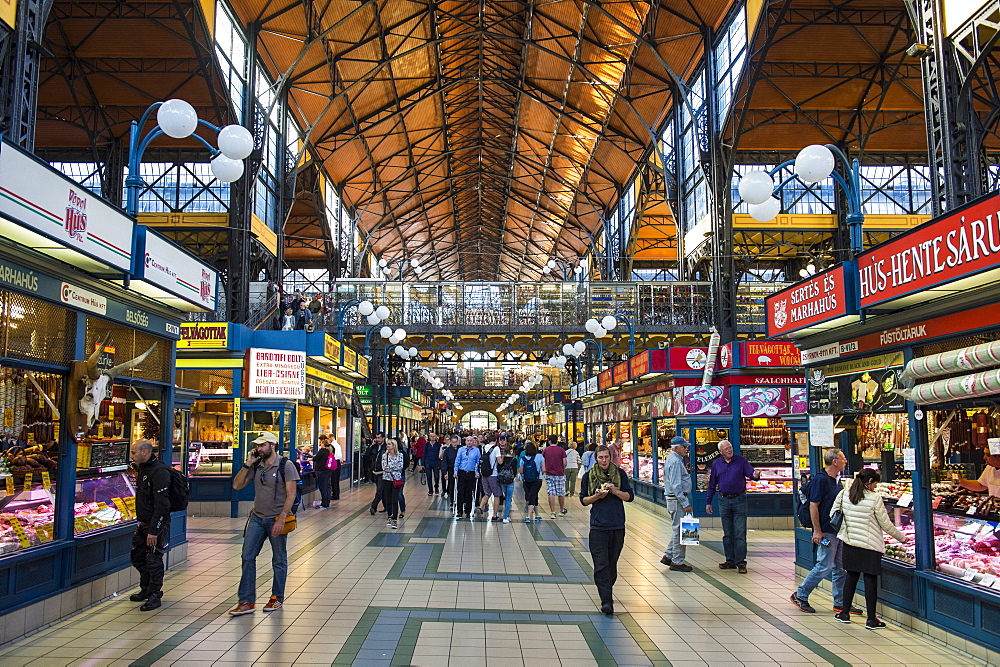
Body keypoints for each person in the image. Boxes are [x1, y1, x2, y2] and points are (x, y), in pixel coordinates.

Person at [229, 432, 299, 615]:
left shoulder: (286, 465)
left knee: (278, 559)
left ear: (272, 445)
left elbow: (291, 494)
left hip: (277, 519)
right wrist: (247, 464)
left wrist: (282, 517)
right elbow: (236, 486)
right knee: (247, 556)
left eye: (262, 445)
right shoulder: (256, 465)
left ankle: (276, 597)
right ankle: (246, 601)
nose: (258, 449)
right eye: (258, 446)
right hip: (257, 519)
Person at [832, 469, 909, 629]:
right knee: (870, 581)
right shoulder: (875, 498)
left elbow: (833, 513)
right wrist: (902, 538)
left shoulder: (844, 494)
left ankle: (844, 613)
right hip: (870, 545)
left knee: (851, 577)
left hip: (850, 542)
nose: (876, 487)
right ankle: (871, 619)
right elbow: (886, 524)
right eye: (875, 483)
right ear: (870, 481)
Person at [791, 448, 860, 615]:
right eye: (843, 459)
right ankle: (801, 594)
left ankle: (840, 602)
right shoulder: (821, 480)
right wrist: (817, 531)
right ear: (834, 462)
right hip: (826, 530)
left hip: (837, 530)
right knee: (824, 565)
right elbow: (813, 505)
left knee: (840, 567)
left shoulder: (836, 480)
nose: (846, 461)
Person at [580, 445, 634, 615]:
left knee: (611, 565)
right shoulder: (589, 477)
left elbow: (629, 497)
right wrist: (597, 496)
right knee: (601, 564)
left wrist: (615, 491)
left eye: (606, 457)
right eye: (600, 457)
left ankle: (606, 590)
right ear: (596, 458)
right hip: (598, 526)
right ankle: (606, 601)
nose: (603, 460)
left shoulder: (620, 474)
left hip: (617, 525)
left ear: (610, 458)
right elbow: (584, 500)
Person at [705, 439, 760, 573]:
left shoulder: (741, 461)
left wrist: (756, 475)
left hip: (739, 499)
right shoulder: (717, 464)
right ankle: (730, 560)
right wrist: (708, 502)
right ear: (721, 452)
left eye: (730, 447)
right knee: (727, 533)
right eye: (726, 449)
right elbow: (712, 484)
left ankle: (741, 563)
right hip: (723, 500)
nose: (730, 450)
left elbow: (751, 474)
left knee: (740, 533)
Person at [128, 440, 171, 611]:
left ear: (145, 452)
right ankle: (145, 589)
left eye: (134, 452)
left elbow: (163, 504)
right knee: (137, 556)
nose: (132, 456)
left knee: (153, 560)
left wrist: (154, 530)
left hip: (156, 524)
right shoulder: (143, 469)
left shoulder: (159, 472)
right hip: (143, 523)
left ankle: (154, 595)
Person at [661, 436, 693, 572]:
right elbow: (676, 485)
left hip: (675, 499)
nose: (686, 449)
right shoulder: (675, 461)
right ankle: (677, 561)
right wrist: (685, 503)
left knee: (678, 529)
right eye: (684, 446)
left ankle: (668, 556)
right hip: (677, 499)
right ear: (677, 448)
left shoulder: (675, 459)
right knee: (679, 531)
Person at [454, 435, 481, 520]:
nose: (469, 442)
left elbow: (478, 462)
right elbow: (457, 460)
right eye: (468, 441)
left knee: (469, 492)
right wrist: (455, 471)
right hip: (462, 472)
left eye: (471, 441)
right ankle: (459, 511)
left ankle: (468, 511)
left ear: (473, 442)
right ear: (465, 442)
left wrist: (477, 472)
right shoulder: (461, 449)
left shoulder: (476, 450)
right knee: (460, 492)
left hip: (471, 473)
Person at [478, 434, 503, 521]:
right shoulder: (496, 448)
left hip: (484, 474)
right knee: (497, 495)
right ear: (496, 440)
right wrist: (502, 458)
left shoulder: (483, 447)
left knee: (487, 493)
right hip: (493, 474)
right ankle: (495, 515)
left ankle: (480, 507)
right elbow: (499, 462)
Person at [518, 442, 546, 522]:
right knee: (533, 497)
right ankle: (528, 516)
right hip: (537, 480)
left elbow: (521, 470)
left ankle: (537, 515)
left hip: (526, 480)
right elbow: (544, 469)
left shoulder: (523, 458)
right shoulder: (539, 456)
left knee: (533, 496)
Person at [381, 439, 404, 529]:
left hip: (396, 480)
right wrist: (394, 466)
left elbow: (400, 466)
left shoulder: (400, 455)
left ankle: (395, 519)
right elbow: (384, 468)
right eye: (387, 444)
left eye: (389, 444)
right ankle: (389, 516)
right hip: (387, 479)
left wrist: (391, 466)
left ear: (394, 446)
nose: (387, 446)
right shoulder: (384, 456)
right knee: (388, 499)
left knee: (395, 499)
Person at [542, 440, 568, 518]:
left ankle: (553, 512)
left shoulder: (546, 450)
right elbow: (565, 462)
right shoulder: (561, 450)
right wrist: (561, 468)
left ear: (549, 441)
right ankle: (561, 510)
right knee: (560, 492)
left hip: (549, 473)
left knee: (551, 492)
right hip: (559, 474)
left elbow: (543, 460)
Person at [498, 441, 518, 523]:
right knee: (508, 499)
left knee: (506, 496)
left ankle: (506, 515)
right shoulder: (514, 460)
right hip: (510, 480)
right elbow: (515, 470)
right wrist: (513, 477)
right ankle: (505, 516)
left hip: (502, 480)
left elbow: (499, 468)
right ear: (511, 451)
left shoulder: (502, 459)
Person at [369, 433, 387, 515]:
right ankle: (386, 507)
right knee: (382, 491)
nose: (377, 439)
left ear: (383, 438)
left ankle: (373, 506)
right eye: (376, 438)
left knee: (379, 490)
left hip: (382, 472)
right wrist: (372, 446)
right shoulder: (375, 447)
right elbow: (367, 456)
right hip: (375, 472)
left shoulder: (386, 447)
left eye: (379, 438)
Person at [313, 436, 332, 509]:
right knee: (326, 487)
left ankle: (324, 504)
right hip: (327, 471)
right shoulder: (328, 451)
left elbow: (316, 458)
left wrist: (310, 458)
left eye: (321, 443)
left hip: (321, 471)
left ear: (323, 444)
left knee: (323, 487)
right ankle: (326, 502)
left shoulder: (322, 451)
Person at [329, 436, 343, 501]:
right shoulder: (338, 445)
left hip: (334, 462)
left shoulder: (332, 445)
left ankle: (335, 495)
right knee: (336, 480)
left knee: (333, 479)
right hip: (338, 463)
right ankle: (336, 494)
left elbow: (332, 455)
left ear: (331, 438)